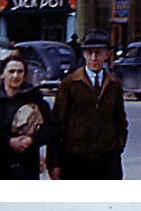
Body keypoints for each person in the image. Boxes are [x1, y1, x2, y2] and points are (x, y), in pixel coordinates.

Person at [47, 28, 128, 179]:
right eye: (89, 53)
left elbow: (120, 120)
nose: (94, 58)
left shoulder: (114, 84)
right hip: (75, 159)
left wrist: (118, 147)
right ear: (83, 54)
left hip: (107, 159)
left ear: (107, 54)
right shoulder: (69, 83)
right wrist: (53, 162)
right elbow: (56, 125)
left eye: (98, 53)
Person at [0, 53, 59, 180]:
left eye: (20, 71)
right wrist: (8, 142)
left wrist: (32, 140)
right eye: (11, 71)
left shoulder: (35, 97)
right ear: (2, 74)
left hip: (27, 166)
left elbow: (51, 127)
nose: (15, 76)